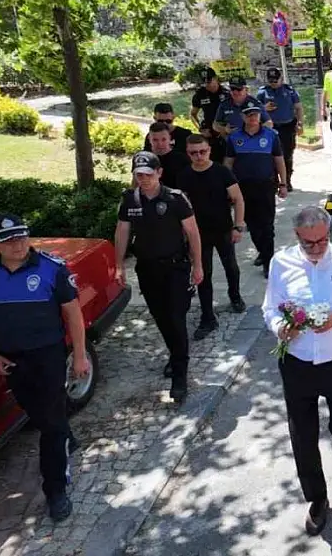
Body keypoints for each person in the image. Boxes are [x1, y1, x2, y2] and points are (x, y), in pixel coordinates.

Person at [0, 214, 88, 521]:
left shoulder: (53, 268)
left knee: (49, 426)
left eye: (22, 237)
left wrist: (79, 355)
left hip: (47, 355)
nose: (18, 244)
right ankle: (64, 433)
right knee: (33, 410)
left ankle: (56, 490)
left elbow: (73, 315)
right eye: (9, 240)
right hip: (10, 358)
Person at [263, 206, 332, 536]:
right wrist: (281, 326)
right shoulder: (281, 263)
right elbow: (270, 308)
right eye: (309, 243)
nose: (316, 249)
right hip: (297, 364)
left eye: (322, 241)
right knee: (303, 435)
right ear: (297, 237)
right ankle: (318, 499)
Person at [114, 151, 203, 402]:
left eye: (148, 174)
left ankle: (180, 374)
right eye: (138, 175)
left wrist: (198, 266)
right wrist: (118, 265)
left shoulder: (175, 199)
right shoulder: (129, 200)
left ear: (159, 173)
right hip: (147, 269)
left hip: (175, 268)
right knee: (161, 318)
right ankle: (175, 355)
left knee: (176, 318)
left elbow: (193, 233)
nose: (143, 179)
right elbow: (122, 232)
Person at [177, 134, 247, 340]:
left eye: (203, 151)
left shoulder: (221, 172)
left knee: (231, 268)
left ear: (209, 150)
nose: (198, 156)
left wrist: (238, 226)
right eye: (193, 153)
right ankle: (207, 317)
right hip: (198, 234)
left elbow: (238, 199)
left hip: (223, 229)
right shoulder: (184, 175)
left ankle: (235, 296)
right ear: (188, 153)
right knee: (203, 274)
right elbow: (180, 206)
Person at [223, 104, 288, 277]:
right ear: (243, 117)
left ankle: (269, 262)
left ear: (260, 116)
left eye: (256, 114)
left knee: (267, 226)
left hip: (265, 186)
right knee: (252, 225)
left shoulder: (271, 136)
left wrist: (283, 184)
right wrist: (226, 187)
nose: (253, 118)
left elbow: (279, 161)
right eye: (249, 115)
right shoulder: (234, 137)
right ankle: (263, 252)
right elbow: (228, 163)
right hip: (243, 188)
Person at [256, 67, 303, 189]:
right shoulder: (262, 92)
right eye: (271, 81)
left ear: (281, 78)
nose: (273, 83)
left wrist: (300, 123)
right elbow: (254, 111)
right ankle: (275, 181)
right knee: (270, 155)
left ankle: (287, 180)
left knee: (287, 154)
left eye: (275, 80)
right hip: (269, 128)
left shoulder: (289, 91)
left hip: (287, 127)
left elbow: (298, 107)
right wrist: (264, 108)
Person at [213, 76, 273, 151]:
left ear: (246, 89)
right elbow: (215, 125)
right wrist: (225, 129)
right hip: (232, 144)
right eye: (232, 89)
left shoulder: (255, 103)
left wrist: (255, 132)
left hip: (252, 143)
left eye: (239, 89)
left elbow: (269, 123)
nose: (235, 92)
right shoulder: (224, 104)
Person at [190, 68, 231, 162]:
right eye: (203, 82)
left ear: (216, 78)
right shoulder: (200, 94)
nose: (207, 84)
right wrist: (200, 128)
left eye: (209, 81)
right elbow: (193, 114)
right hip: (210, 134)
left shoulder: (227, 93)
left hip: (227, 131)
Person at [145, 122, 190, 189]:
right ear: (149, 139)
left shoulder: (182, 159)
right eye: (155, 140)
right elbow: (136, 182)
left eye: (164, 139)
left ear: (169, 138)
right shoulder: (143, 157)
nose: (160, 143)